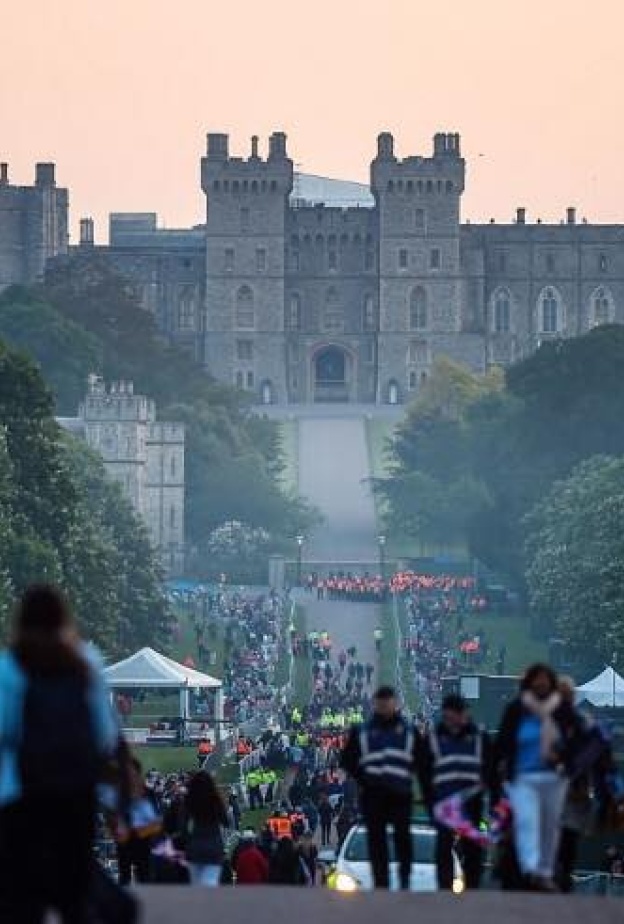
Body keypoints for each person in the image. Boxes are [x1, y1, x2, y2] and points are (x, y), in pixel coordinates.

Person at [0, 584, 119, 924]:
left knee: (21, 894)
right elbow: (104, 734)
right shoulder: (85, 664)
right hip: (75, 788)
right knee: (74, 893)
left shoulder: (10, 668)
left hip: (20, 793)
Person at [494, 663, 583, 892]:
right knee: (527, 820)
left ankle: (544, 870)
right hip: (524, 776)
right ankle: (530, 868)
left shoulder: (562, 709)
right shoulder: (517, 709)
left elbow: (576, 741)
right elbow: (503, 741)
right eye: (536, 679)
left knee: (550, 825)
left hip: (555, 775)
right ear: (529, 683)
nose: (540, 683)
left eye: (545, 679)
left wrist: (564, 758)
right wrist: (499, 770)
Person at [341, 685, 419, 889]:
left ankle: (404, 880)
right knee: (377, 841)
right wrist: (364, 779)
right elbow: (347, 759)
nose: (385, 706)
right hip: (374, 794)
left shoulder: (409, 731)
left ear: (395, 703)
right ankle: (381, 883)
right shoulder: (362, 731)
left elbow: (423, 760)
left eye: (388, 702)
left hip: (400, 794)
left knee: (402, 838)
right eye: (381, 702)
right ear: (375, 704)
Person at [418, 693, 495, 890]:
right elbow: (424, 774)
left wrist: (491, 796)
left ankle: (472, 888)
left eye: (463, 712)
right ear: (447, 714)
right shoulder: (433, 739)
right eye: (456, 712)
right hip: (444, 802)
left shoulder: (479, 736)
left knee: (473, 848)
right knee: (443, 847)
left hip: (472, 801)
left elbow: (491, 768)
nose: (461, 717)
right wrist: (430, 802)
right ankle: (444, 888)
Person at [184, 771, 227, 886]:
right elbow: (226, 822)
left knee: (196, 883)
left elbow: (183, 824)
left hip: (195, 845)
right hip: (213, 845)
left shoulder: (189, 800)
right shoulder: (216, 801)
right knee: (210, 880)